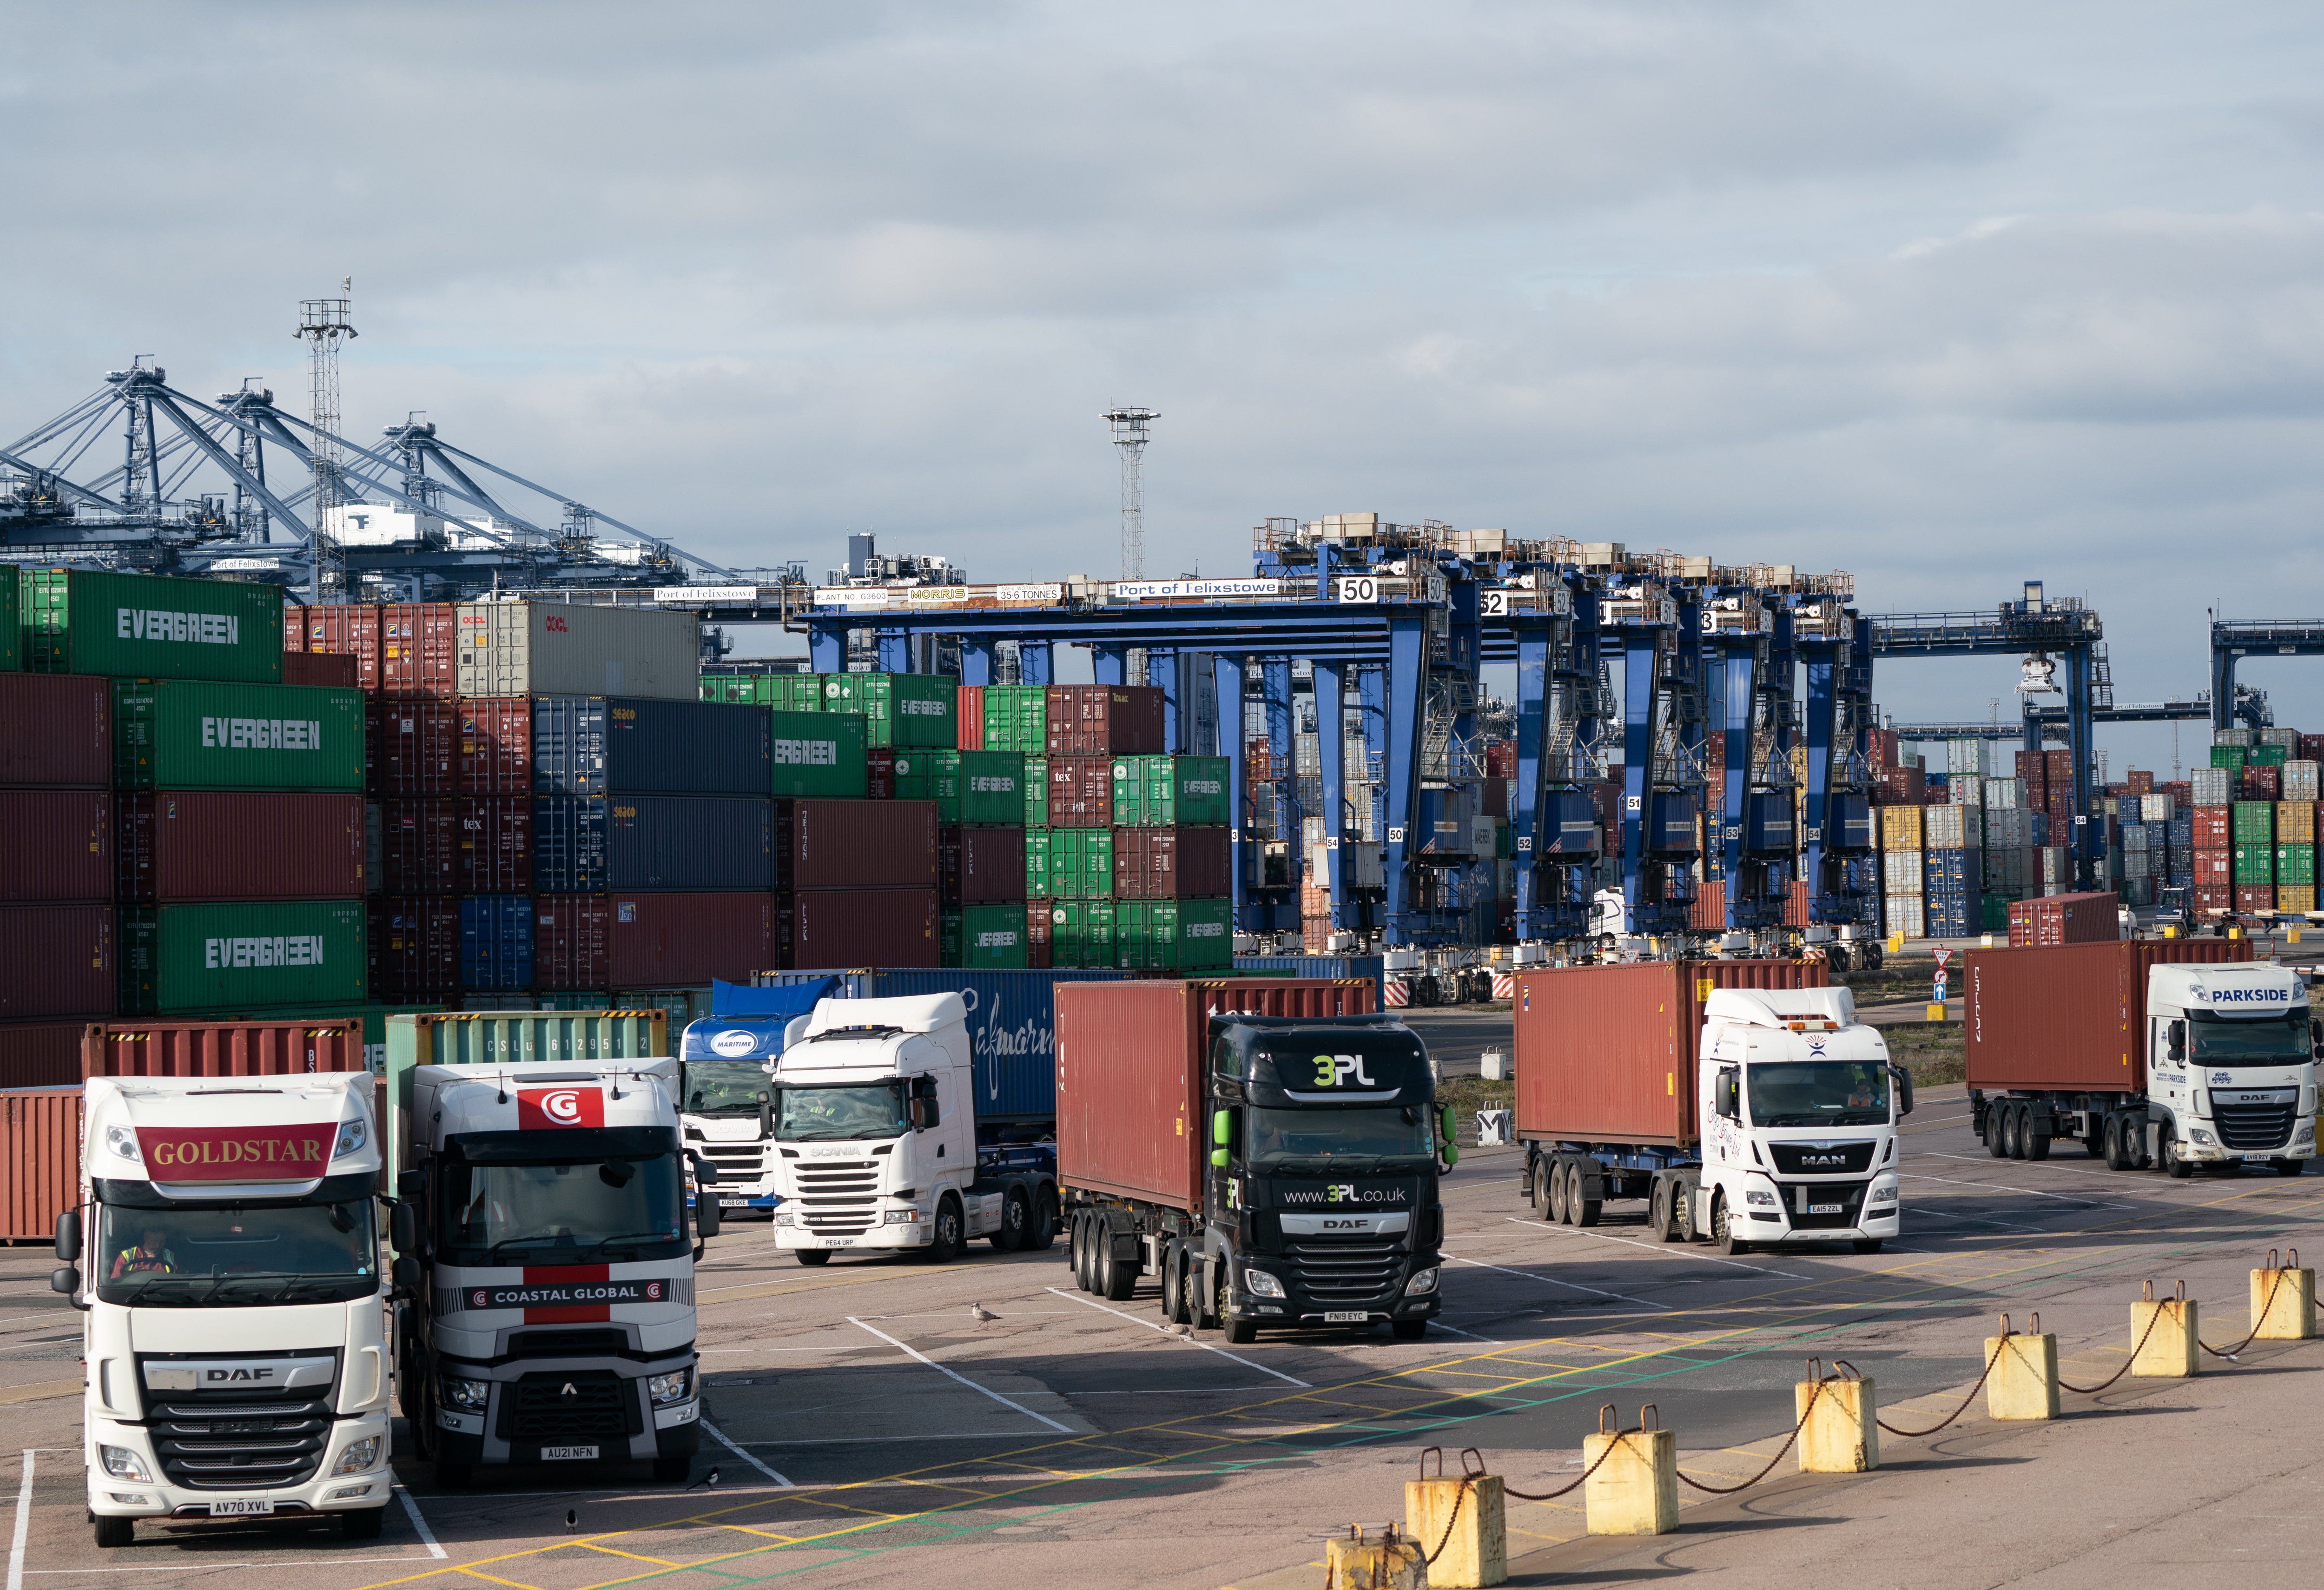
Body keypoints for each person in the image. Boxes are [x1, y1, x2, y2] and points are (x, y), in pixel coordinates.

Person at [109, 1226, 174, 1281]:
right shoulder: (127, 1255)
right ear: (146, 1238)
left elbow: (179, 1279)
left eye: (162, 1242)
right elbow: (116, 1281)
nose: (158, 1246)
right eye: (154, 1241)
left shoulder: (170, 1256)